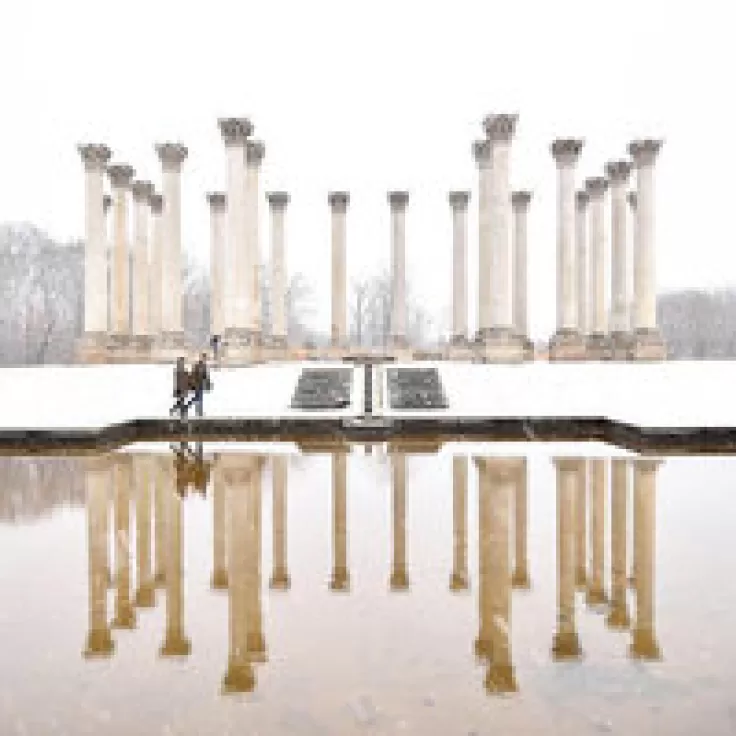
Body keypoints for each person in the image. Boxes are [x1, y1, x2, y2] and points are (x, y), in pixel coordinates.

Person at [188, 352, 212, 417]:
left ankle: (199, 411)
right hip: (197, 384)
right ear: (202, 358)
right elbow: (193, 374)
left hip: (201, 384)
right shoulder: (197, 365)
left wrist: (208, 383)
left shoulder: (204, 366)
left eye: (206, 359)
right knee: (198, 398)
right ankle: (194, 408)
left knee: (199, 398)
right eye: (204, 358)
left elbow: (205, 376)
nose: (205, 360)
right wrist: (192, 382)